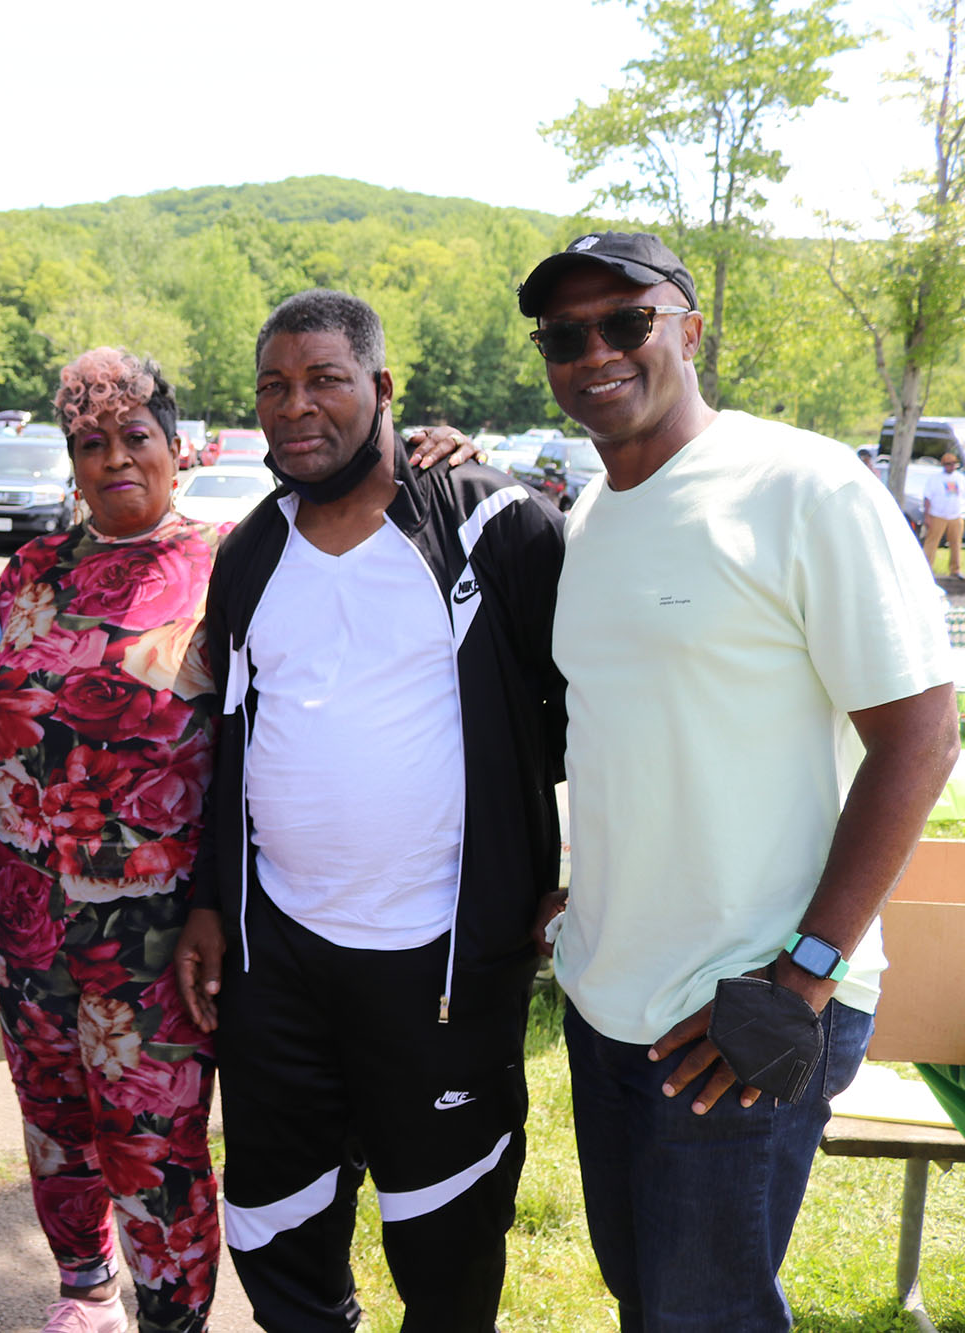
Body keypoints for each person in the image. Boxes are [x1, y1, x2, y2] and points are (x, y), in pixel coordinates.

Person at [517, 232, 958, 1331]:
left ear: (687, 329)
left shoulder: (800, 485)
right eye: (564, 335)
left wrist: (802, 973)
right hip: (609, 988)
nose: (594, 352)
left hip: (748, 1001)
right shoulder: (587, 515)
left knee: (701, 1315)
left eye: (625, 322)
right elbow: (644, 732)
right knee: (642, 1294)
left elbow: (920, 734)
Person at [171, 290, 565, 1332]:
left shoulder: (491, 523)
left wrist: (571, 868)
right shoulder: (249, 551)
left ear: (382, 389)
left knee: (444, 1236)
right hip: (279, 960)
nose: (294, 406)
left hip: (439, 960)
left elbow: (584, 715)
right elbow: (227, 738)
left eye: (324, 380)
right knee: (275, 1218)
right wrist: (215, 901)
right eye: (273, 385)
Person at [0, 348, 221, 1333]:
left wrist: (425, 458)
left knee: (153, 1139)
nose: (114, 456)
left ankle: (173, 1318)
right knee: (53, 1119)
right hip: (25, 905)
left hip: (155, 921)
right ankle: (85, 1291)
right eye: (89, 442)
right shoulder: (26, 572)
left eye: (133, 436)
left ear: (174, 447)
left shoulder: (230, 560)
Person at [922, 451, 963, 578]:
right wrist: (927, 516)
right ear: (943, 465)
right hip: (938, 515)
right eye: (948, 464)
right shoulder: (935, 479)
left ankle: (955, 570)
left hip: (956, 516)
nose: (951, 466)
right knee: (932, 542)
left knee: (956, 543)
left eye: (953, 464)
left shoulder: (960, 478)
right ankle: (926, 569)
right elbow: (927, 498)